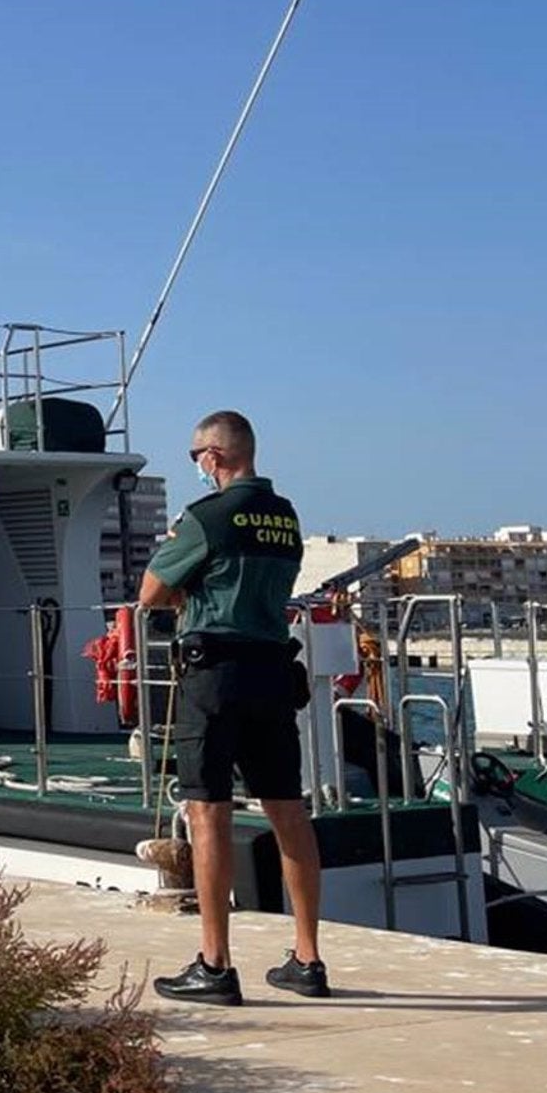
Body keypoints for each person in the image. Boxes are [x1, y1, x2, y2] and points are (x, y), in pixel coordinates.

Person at [140, 410, 326, 1006]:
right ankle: (307, 959)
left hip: (215, 675)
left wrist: (188, 588)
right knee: (287, 810)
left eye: (195, 455)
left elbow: (151, 593)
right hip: (273, 671)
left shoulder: (205, 517)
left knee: (208, 812)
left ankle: (215, 965)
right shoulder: (284, 516)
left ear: (214, 456)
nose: (195, 465)